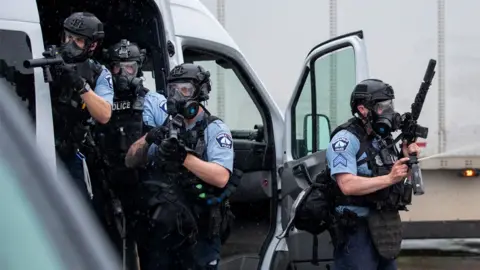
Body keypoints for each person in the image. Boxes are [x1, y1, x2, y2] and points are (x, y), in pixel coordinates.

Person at [125, 63, 235, 270]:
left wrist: (184, 158)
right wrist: (148, 138)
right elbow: (130, 160)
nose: (178, 96)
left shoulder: (215, 129)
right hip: (165, 233)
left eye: (185, 90)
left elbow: (221, 177)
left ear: (199, 92)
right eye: (173, 90)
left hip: (199, 235)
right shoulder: (168, 127)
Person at [326, 79, 421, 270]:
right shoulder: (345, 139)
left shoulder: (382, 139)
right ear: (363, 109)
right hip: (357, 231)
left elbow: (396, 176)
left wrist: (406, 158)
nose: (389, 111)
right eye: (382, 106)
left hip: (384, 227)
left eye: (390, 105)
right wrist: (390, 178)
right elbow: (346, 184)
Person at [92, 39, 166, 269]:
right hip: (108, 188)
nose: (123, 73)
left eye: (130, 67)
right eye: (117, 67)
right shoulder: (100, 102)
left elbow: (172, 137)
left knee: (150, 254)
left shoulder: (154, 102)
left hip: (143, 190)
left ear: (139, 67)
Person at [53, 12, 113, 202]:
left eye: (78, 40)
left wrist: (79, 84)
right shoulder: (47, 57)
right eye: (68, 37)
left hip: (70, 152)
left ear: (92, 45)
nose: (70, 43)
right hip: (35, 145)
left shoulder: (98, 73)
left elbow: (104, 114)